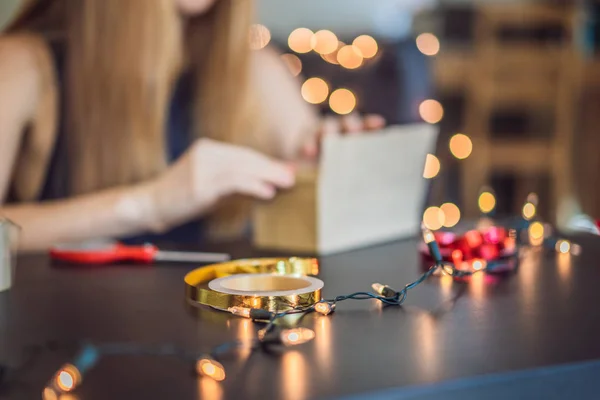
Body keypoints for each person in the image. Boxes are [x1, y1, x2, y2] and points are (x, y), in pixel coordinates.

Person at [0, 0, 384, 251]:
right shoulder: (22, 66)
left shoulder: (256, 70)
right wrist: (150, 203)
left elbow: (315, 185)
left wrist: (334, 168)